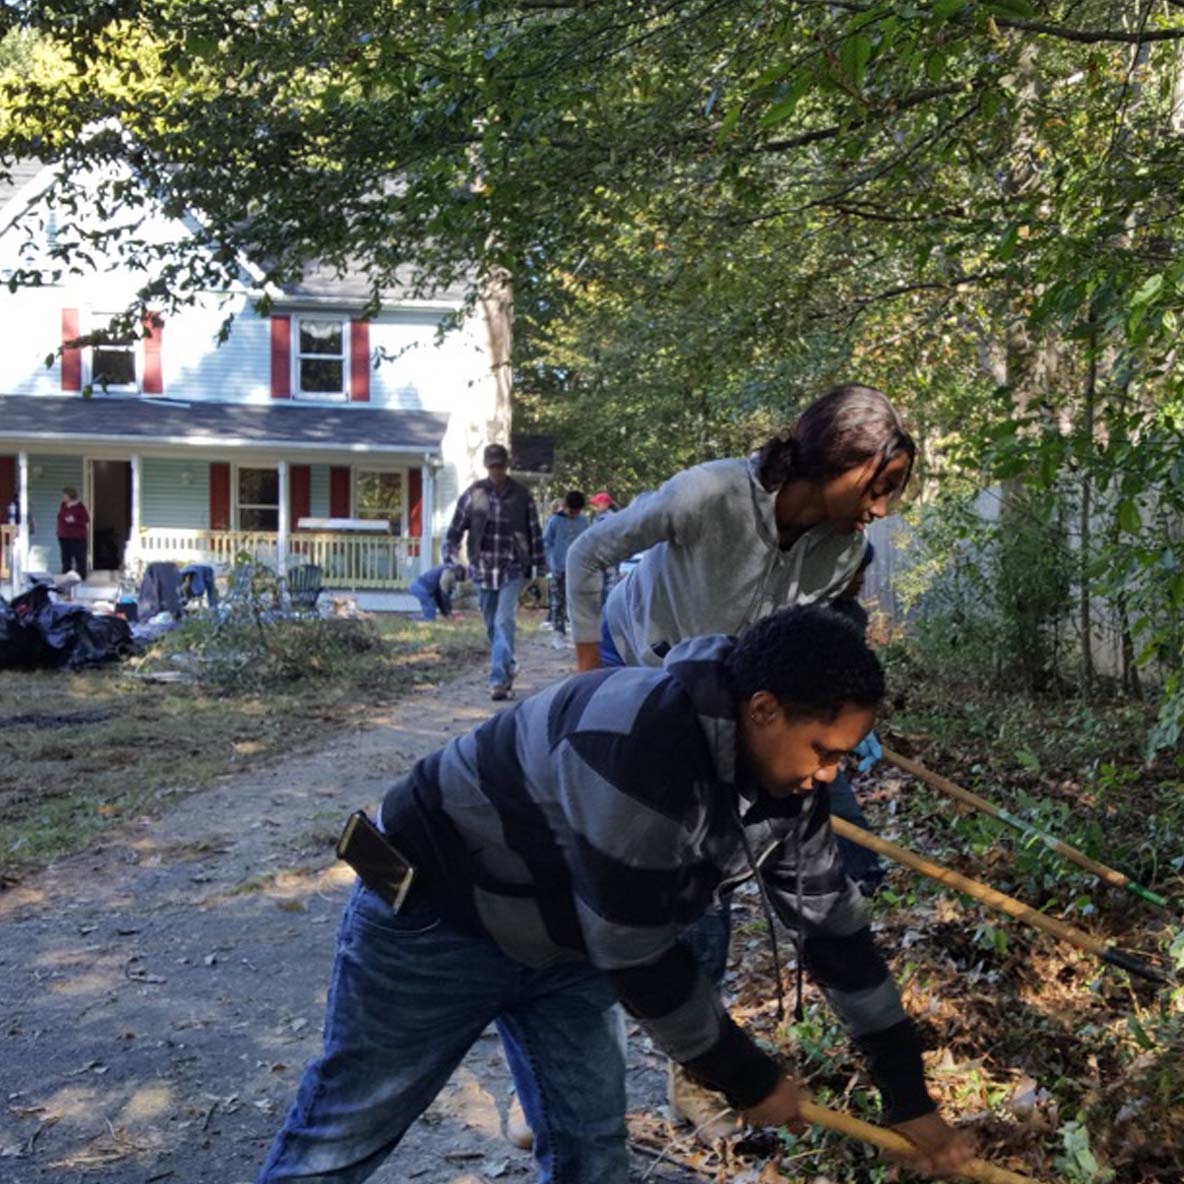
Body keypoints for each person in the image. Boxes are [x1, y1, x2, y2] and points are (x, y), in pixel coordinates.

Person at [256, 606, 976, 1184]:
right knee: (344, 1138)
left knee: (592, 1153)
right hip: (435, 920)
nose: (830, 776)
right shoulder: (641, 747)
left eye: (843, 758)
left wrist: (909, 1100)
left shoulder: (789, 785)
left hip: (566, 937)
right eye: (825, 752)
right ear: (763, 710)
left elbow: (837, 938)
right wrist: (748, 1077)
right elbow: (637, 954)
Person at [564, 384, 913, 1135]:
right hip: (637, 670)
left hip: (726, 699)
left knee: (709, 877)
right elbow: (588, 552)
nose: (882, 508)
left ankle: (683, 1077)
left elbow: (798, 652)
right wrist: (589, 677)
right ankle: (603, 1086)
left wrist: (832, 736)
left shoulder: (845, 548)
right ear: (839, 461)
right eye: (879, 487)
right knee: (630, 882)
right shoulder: (709, 494)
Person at [444, 444, 545, 701]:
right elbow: (454, 532)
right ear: (487, 467)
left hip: (513, 568)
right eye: (492, 466)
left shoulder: (522, 495)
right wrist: (451, 563)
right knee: (492, 625)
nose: (497, 470)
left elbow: (535, 533)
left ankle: (498, 681)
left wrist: (540, 569)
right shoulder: (473, 494)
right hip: (482, 569)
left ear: (507, 466)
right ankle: (509, 666)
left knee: (503, 621)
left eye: (500, 465)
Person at [542, 489, 589, 647]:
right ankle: (558, 633)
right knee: (558, 602)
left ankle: (577, 633)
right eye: (572, 510)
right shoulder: (555, 521)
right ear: (565, 506)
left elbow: (588, 542)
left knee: (578, 601)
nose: (574, 514)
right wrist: (551, 563)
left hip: (579, 569)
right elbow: (546, 542)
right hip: (558, 567)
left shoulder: (583, 521)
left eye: (577, 511)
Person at [56, 486, 90, 579]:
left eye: (65, 495)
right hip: (64, 536)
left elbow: (86, 520)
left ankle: (80, 577)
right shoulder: (63, 505)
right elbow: (62, 516)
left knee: (80, 558)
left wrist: (74, 520)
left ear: (70, 496)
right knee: (66, 559)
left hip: (77, 537)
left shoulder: (80, 507)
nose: (63, 497)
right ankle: (66, 577)